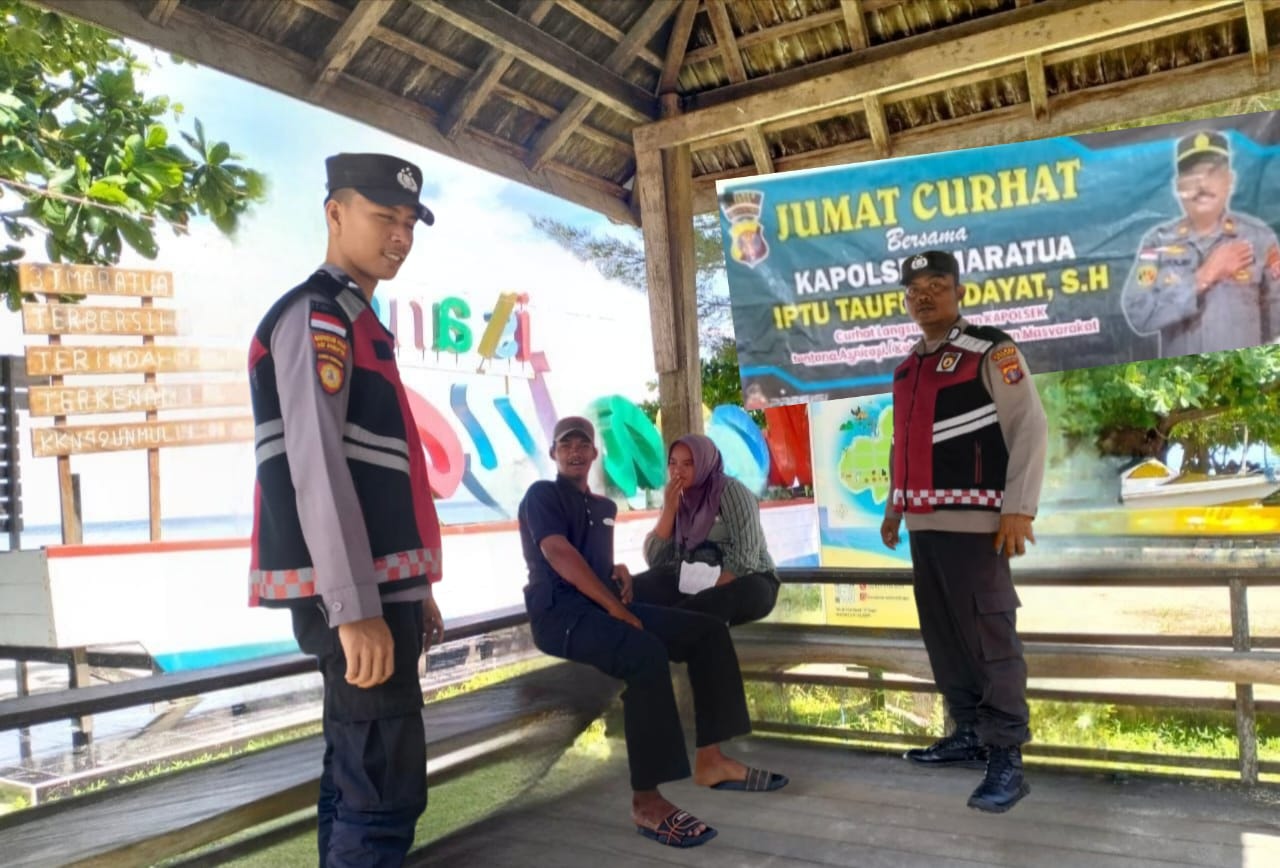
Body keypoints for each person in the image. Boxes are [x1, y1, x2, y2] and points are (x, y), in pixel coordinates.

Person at [247, 153, 446, 866]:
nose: (401, 235)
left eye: (409, 222)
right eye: (384, 216)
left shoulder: (362, 324)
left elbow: (385, 477)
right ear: (334, 214)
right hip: (355, 597)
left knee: (355, 773)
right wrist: (354, 606)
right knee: (383, 790)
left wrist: (413, 591)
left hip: (379, 590)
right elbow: (318, 466)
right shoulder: (319, 316)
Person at [518, 417, 788, 849]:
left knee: (706, 631)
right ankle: (647, 802)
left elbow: (593, 563)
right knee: (645, 653)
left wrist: (617, 573)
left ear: (594, 453)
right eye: (565, 445)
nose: (574, 452)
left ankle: (711, 760)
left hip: (604, 608)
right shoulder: (542, 495)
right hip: (561, 617)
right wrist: (615, 607)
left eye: (582, 445)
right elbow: (558, 553)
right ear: (553, 454)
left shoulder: (602, 509)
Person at [879, 250, 1047, 814]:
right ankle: (970, 733)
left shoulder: (991, 350)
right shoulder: (907, 368)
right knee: (946, 638)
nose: (924, 296)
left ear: (959, 293)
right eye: (914, 290)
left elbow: (1029, 426)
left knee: (989, 638)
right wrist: (894, 506)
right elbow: (903, 445)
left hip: (978, 527)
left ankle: (1007, 758)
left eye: (936, 284)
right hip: (923, 527)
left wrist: (1019, 507)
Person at [1121, 129, 1280, 358]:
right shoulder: (1157, 242)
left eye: (1212, 173)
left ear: (1229, 180)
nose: (1202, 184)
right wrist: (1204, 276)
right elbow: (1139, 315)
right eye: (1192, 176)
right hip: (1183, 379)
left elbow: (1275, 321)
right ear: (1178, 186)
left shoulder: (1260, 238)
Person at [633, 434, 779, 627]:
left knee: (705, 606)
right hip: (692, 580)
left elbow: (745, 557)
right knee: (634, 589)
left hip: (748, 579)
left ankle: (672, 627)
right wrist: (669, 510)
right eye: (673, 463)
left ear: (704, 462)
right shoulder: (677, 497)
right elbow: (656, 560)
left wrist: (704, 596)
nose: (678, 471)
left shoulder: (730, 491)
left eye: (688, 464)